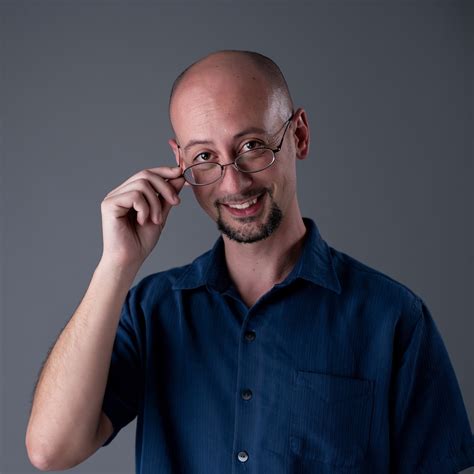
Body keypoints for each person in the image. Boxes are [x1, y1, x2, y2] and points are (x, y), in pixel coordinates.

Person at [26, 50, 474, 473]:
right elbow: (51, 450)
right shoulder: (151, 310)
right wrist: (116, 265)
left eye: (252, 145)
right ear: (180, 162)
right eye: (205, 157)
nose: (233, 183)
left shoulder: (393, 318)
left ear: (299, 135)